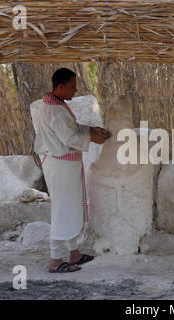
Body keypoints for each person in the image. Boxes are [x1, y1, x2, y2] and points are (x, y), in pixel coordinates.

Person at [34, 68, 109, 273]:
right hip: (60, 165)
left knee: (69, 207)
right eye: (73, 87)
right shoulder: (55, 110)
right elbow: (69, 138)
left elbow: (71, 129)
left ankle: (74, 253)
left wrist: (90, 130)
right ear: (61, 87)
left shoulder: (56, 105)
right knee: (62, 209)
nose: (75, 91)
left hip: (64, 163)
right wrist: (92, 137)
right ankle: (55, 259)